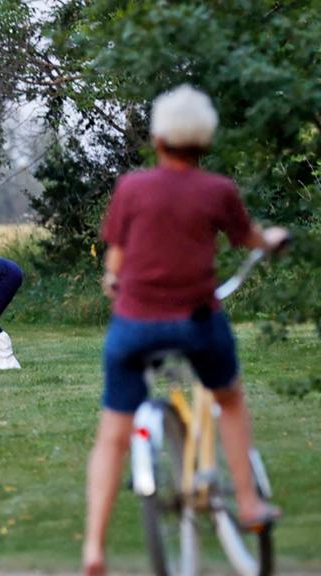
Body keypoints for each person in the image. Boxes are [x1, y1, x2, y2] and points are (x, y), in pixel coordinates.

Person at [82, 85, 287, 575]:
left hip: (133, 326)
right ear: (205, 140)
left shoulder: (131, 188)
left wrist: (114, 278)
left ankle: (94, 547)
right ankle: (248, 503)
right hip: (197, 323)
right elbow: (249, 237)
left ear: (158, 139)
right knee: (230, 397)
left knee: (113, 434)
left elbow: (116, 254)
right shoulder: (217, 190)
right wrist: (272, 239)